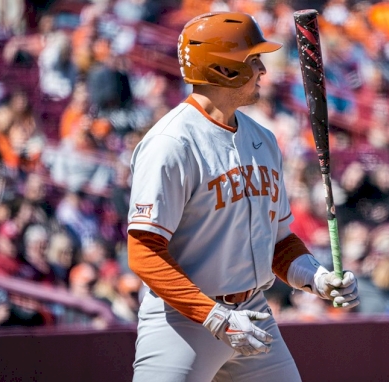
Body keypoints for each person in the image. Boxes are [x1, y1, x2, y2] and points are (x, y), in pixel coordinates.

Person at [126, 12, 359, 382]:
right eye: (253, 60)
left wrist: (317, 278)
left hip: (252, 312)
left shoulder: (263, 140)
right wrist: (214, 317)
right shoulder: (170, 144)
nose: (263, 69)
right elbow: (143, 253)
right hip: (184, 322)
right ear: (224, 70)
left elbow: (279, 244)